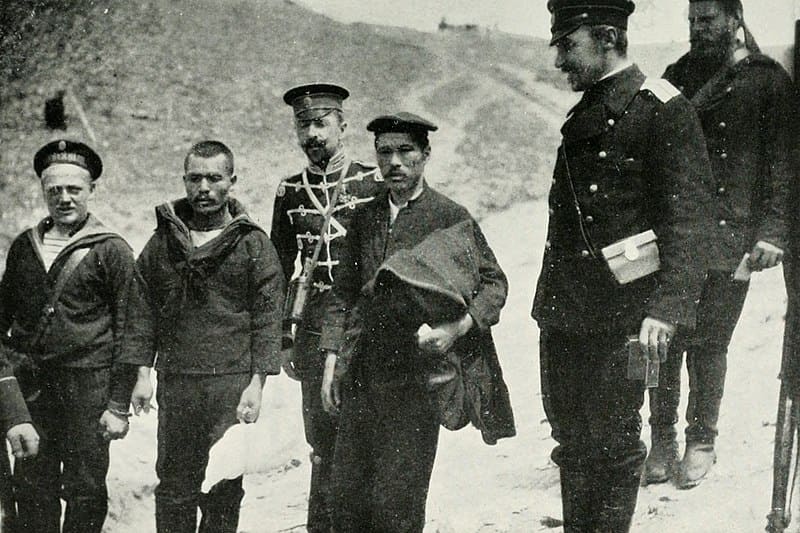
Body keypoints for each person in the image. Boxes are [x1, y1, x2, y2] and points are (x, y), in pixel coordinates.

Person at [532, 1, 716, 530]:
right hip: (566, 317)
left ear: (608, 37)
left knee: (614, 443)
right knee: (571, 442)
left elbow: (690, 221)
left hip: (629, 322)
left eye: (567, 43)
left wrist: (666, 310)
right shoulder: (585, 114)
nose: (559, 59)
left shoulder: (662, 108)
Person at [319, 112, 512, 532]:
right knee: (346, 497)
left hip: (417, 379)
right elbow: (344, 291)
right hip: (362, 374)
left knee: (398, 501)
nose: (395, 163)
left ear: (425, 154)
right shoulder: (366, 217)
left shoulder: (449, 216)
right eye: (385, 152)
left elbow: (494, 284)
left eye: (406, 151)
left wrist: (456, 329)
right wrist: (332, 359)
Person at [644, 0, 796, 489]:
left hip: (731, 235)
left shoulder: (768, 81)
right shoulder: (676, 76)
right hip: (674, 233)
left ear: (734, 19)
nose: (696, 29)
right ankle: (661, 440)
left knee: (709, 343)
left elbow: (784, 162)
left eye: (706, 19)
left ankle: (701, 440)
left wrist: (773, 231)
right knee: (661, 341)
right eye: (691, 20)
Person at [0, 139, 153, 533]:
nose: (65, 199)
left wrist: (118, 404)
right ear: (43, 192)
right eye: (55, 190)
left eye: (74, 190)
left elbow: (130, 329)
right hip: (34, 391)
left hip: (88, 392)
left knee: (85, 488)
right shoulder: (24, 248)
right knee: (33, 483)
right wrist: (13, 402)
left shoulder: (112, 250)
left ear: (91, 191)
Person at [137, 140, 284, 533]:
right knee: (175, 484)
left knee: (223, 482)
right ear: (184, 181)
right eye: (195, 178)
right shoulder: (163, 241)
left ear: (231, 182)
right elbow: (143, 308)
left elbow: (269, 317)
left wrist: (257, 384)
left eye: (214, 178)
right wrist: (141, 375)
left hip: (230, 384)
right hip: (178, 380)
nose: (204, 188)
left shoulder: (253, 243)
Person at [270, 83, 383, 532]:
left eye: (321, 123)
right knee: (322, 438)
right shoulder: (290, 191)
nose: (312, 133)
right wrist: (282, 337)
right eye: (304, 124)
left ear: (342, 125)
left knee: (369, 434)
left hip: (366, 325)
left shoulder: (372, 181)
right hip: (315, 329)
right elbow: (279, 266)